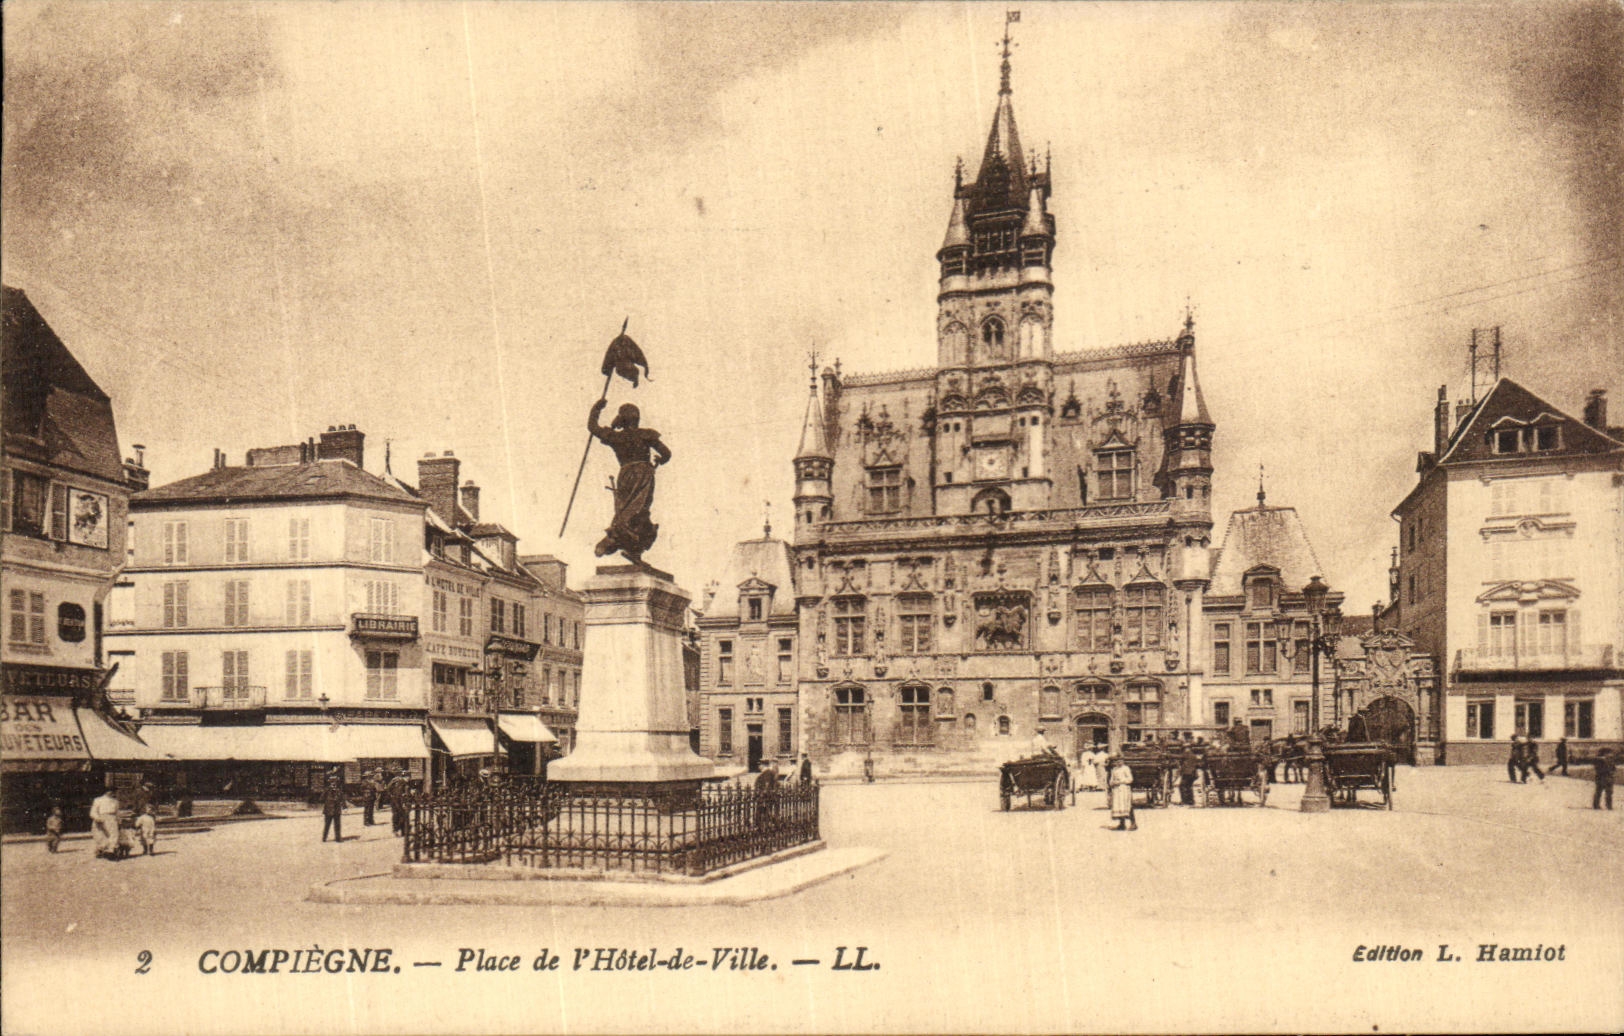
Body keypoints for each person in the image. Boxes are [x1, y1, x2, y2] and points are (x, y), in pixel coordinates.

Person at [587, 399, 672, 564]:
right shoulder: (646, 435)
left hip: (625, 475)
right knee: (640, 511)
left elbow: (592, 427)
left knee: (626, 511)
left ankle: (619, 540)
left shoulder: (616, 437)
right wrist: (660, 460)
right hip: (644, 475)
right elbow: (667, 453)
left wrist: (596, 408)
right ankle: (628, 545)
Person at [89, 787, 121, 860]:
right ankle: (101, 850)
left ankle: (111, 852)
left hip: (112, 819)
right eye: (110, 791)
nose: (112, 793)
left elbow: (117, 813)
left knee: (113, 835)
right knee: (101, 836)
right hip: (102, 818)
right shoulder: (98, 800)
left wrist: (119, 821)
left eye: (113, 792)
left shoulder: (115, 801)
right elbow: (93, 811)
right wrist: (97, 818)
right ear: (106, 791)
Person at [1108, 756, 1136, 831]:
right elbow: (1111, 780)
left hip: (1124, 789)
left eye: (1120, 761)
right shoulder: (1114, 769)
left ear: (1123, 761)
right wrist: (1113, 783)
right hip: (1117, 790)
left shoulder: (1126, 768)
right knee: (1119, 805)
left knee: (1126, 805)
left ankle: (1133, 823)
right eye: (1117, 761)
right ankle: (1122, 823)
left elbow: (1130, 779)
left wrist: (1121, 781)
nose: (1119, 762)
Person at [320, 773, 345, 843]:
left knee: (337, 825)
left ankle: (338, 838)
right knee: (327, 824)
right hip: (328, 810)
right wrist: (328, 801)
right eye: (332, 782)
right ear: (330, 783)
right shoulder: (327, 790)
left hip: (337, 810)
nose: (334, 784)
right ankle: (324, 838)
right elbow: (321, 798)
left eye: (335, 782)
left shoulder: (339, 790)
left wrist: (344, 807)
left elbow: (342, 799)